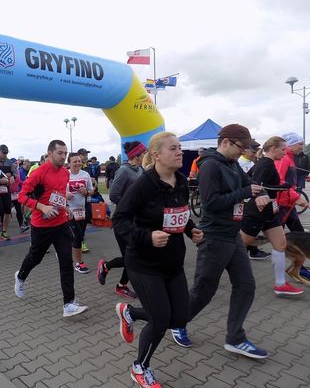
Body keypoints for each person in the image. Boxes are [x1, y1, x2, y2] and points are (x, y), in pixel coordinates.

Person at [113, 132, 203, 388]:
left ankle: (130, 312)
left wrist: (190, 230)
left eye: (180, 147)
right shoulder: (143, 185)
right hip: (144, 264)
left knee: (180, 317)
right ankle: (140, 367)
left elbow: (179, 212)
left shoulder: (181, 181)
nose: (180, 152)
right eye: (173, 148)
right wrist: (147, 236)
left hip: (172, 263)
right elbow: (119, 220)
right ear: (156, 155)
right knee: (160, 320)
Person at [171, 124, 269, 360]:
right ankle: (177, 322)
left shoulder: (233, 164)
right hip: (214, 237)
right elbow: (211, 203)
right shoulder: (210, 166)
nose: (244, 151)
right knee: (204, 291)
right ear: (225, 142)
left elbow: (249, 185)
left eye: (246, 148)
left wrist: (261, 193)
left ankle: (235, 338)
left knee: (246, 286)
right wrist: (245, 193)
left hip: (233, 236)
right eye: (241, 147)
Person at [14, 140, 88, 317]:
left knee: (66, 261)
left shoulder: (65, 173)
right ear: (49, 154)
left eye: (65, 153)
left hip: (61, 224)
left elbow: (58, 195)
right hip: (41, 226)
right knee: (35, 258)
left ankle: (68, 304)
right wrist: (42, 207)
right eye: (60, 153)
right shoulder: (39, 173)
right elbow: (21, 196)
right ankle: (20, 277)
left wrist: (66, 208)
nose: (63, 157)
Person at [240, 136, 304, 296]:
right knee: (238, 245)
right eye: (282, 149)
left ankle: (280, 284)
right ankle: (212, 263)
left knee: (280, 244)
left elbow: (255, 180)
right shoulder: (265, 164)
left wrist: (282, 187)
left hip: (270, 212)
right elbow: (255, 184)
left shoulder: (266, 163)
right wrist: (280, 188)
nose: (284, 152)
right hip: (257, 212)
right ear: (273, 148)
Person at [97, 141, 146, 299]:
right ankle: (107, 268)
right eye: (143, 153)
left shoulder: (140, 170)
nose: (145, 155)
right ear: (136, 155)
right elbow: (113, 195)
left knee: (134, 256)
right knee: (131, 257)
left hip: (136, 220)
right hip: (123, 221)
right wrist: (131, 205)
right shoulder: (124, 171)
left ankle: (120, 284)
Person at [238, 142, 271, 260]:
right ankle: (247, 251)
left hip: (252, 199)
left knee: (249, 227)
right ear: (246, 150)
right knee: (245, 227)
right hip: (243, 200)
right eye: (253, 152)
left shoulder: (252, 163)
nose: (254, 154)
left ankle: (252, 250)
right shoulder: (239, 163)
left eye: (256, 152)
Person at [67, 152, 94, 274]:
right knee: (77, 237)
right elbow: (56, 190)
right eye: (75, 161)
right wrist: (65, 194)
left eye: (79, 161)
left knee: (80, 235)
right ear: (69, 163)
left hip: (82, 210)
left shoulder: (85, 174)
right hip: (68, 210)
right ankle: (78, 263)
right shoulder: (65, 175)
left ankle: (65, 251)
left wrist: (86, 192)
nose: (78, 163)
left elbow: (91, 191)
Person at [275, 132, 309, 232]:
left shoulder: (289, 158)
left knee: (298, 233)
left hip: (288, 202)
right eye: (300, 144)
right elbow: (278, 179)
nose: (302, 147)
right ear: (290, 144)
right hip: (281, 203)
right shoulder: (283, 158)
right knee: (278, 235)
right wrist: (296, 197)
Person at [0, 144, 18, 240]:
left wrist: (13, 176)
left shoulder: (9, 162)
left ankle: (4, 232)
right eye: (3, 153)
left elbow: (15, 172)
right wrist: (1, 178)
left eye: (6, 153)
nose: (5, 155)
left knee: (8, 211)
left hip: (6, 188)